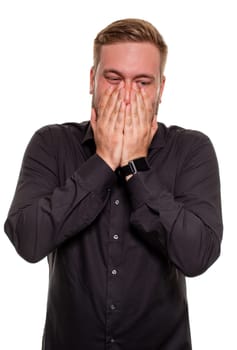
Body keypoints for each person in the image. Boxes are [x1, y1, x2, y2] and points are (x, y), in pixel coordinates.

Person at [4, 18, 223, 350]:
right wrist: (103, 161)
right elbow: (28, 241)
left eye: (142, 82)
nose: (126, 95)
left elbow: (197, 256)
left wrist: (136, 166)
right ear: (92, 80)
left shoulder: (192, 150)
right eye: (113, 78)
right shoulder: (51, 143)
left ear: (161, 88)